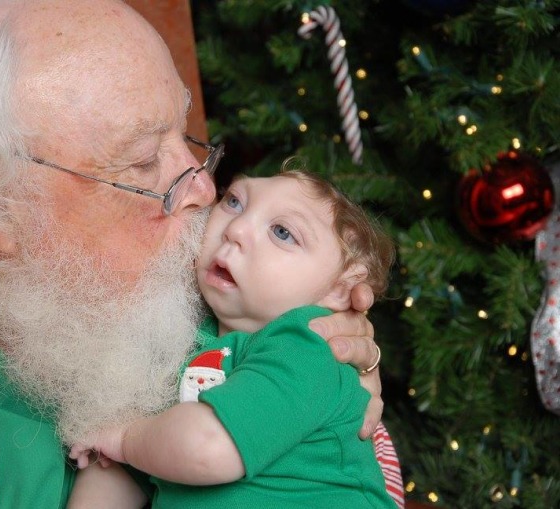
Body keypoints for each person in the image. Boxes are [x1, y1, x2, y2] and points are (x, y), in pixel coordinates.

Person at [0, 1, 385, 507]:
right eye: (140, 163)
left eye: (182, 136)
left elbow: (356, 468)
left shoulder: (193, 287)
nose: (206, 190)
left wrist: (345, 376)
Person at [68, 168, 397, 508]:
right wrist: (122, 447)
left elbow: (206, 447)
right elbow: (129, 468)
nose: (235, 230)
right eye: (235, 202)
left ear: (341, 287)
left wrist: (124, 437)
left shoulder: (310, 344)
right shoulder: (183, 337)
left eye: (282, 232)